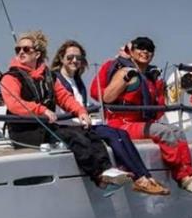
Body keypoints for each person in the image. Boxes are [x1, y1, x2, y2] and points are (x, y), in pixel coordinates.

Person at [0, 30, 132, 190]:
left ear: (37, 54)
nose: (21, 52)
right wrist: (42, 110)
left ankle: (107, 170)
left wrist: (81, 111)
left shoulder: (48, 76)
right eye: (18, 49)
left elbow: (64, 97)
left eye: (26, 49)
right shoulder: (11, 77)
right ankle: (99, 177)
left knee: (88, 132)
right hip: (24, 131)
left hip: (45, 127)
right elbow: (14, 103)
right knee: (73, 136)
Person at [89, 36, 192, 193]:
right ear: (132, 51)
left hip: (139, 122)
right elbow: (107, 97)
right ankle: (182, 178)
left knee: (178, 131)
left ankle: (190, 174)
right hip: (122, 123)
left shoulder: (149, 78)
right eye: (140, 47)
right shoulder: (125, 72)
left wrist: (161, 86)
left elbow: (157, 110)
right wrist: (125, 78)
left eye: (150, 49)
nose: (145, 51)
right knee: (164, 132)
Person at [51, 40, 170, 196]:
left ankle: (145, 176)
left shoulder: (77, 80)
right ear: (61, 58)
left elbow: (81, 103)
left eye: (78, 58)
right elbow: (64, 104)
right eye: (70, 57)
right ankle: (140, 179)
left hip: (83, 122)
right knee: (113, 135)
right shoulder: (55, 79)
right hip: (69, 125)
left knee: (122, 134)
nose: (75, 61)